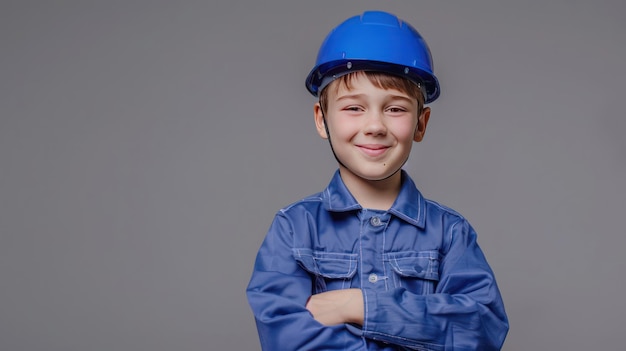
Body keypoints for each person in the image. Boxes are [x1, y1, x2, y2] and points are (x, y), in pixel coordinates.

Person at [246, 10, 509, 350]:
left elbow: (481, 328)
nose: (374, 126)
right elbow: (287, 339)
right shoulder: (294, 229)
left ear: (420, 123)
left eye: (395, 109)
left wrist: (361, 306)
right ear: (322, 120)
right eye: (354, 108)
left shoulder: (450, 232)